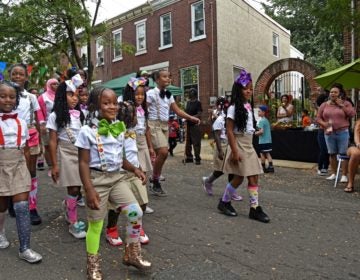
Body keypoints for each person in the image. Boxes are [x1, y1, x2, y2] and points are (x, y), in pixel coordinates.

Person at [76, 87, 151, 279]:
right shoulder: (87, 131)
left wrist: (134, 169)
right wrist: (89, 190)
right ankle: (92, 265)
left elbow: (120, 159)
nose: (112, 107)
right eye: (106, 103)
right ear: (95, 106)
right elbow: (83, 163)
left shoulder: (120, 127)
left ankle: (131, 254)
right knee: (96, 225)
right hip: (97, 181)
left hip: (117, 178)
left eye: (114, 103)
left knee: (136, 212)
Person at [217, 69, 270, 223]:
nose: (249, 91)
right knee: (241, 178)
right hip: (239, 144)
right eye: (246, 88)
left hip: (248, 144)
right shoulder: (233, 108)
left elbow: (248, 127)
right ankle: (227, 202)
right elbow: (229, 130)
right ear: (238, 90)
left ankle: (250, 207)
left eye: (250, 89)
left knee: (250, 177)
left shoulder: (248, 106)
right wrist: (234, 151)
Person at [0, 80, 42, 263]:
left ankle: (25, 248)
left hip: (18, 165)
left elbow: (25, 148)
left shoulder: (21, 123)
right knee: (1, 207)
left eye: (12, 97)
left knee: (21, 207)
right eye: (2, 96)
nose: (7, 100)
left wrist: (27, 168)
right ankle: (0, 233)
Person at [147, 69, 200, 196]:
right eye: (164, 77)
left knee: (164, 154)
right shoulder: (150, 93)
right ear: (157, 80)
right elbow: (144, 109)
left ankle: (155, 177)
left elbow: (177, 110)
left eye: (169, 76)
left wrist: (190, 117)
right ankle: (155, 180)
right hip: (153, 124)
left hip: (165, 126)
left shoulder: (169, 95)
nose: (167, 79)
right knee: (164, 152)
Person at [105, 101, 150, 247]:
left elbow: (134, 150)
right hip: (119, 172)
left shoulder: (134, 129)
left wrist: (140, 168)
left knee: (142, 202)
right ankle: (111, 229)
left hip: (135, 170)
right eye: (129, 114)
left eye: (133, 113)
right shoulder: (114, 129)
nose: (133, 117)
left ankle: (136, 226)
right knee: (116, 207)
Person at [47, 75, 87, 239]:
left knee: (79, 188)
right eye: (70, 95)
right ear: (62, 96)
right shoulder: (55, 116)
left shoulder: (81, 114)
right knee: (74, 188)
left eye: (76, 95)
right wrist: (54, 165)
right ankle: (73, 222)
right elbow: (52, 141)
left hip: (81, 154)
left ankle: (68, 207)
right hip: (66, 153)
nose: (74, 98)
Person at [10, 63, 42, 225]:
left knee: (31, 171)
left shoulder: (31, 97)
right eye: (14, 74)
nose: (17, 76)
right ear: (9, 76)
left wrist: (42, 144)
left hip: (30, 136)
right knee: (11, 170)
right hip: (11, 138)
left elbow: (37, 120)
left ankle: (32, 206)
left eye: (20, 74)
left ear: (26, 77)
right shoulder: (4, 95)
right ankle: (12, 200)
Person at [202, 96, 242, 201]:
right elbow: (216, 135)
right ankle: (208, 181)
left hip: (231, 144)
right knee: (219, 170)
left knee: (232, 169)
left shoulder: (230, 117)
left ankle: (231, 191)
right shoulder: (220, 119)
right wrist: (220, 150)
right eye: (225, 106)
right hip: (223, 145)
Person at [317, 83, 355, 183]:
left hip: (342, 131)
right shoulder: (324, 105)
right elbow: (318, 117)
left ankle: (344, 175)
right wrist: (324, 124)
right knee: (332, 153)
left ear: (339, 93)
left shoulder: (346, 103)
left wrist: (342, 105)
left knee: (343, 154)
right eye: (331, 92)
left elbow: (352, 114)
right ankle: (334, 174)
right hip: (329, 132)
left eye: (335, 92)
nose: (332, 93)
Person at [37, 78, 59, 173]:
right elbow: (39, 111)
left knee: (57, 144)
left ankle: (57, 164)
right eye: (53, 84)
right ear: (49, 85)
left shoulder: (60, 96)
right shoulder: (42, 97)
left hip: (58, 123)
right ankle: (50, 166)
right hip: (46, 124)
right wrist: (42, 123)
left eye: (57, 84)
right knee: (47, 145)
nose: (56, 86)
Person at [185, 88, 203, 164]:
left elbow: (199, 114)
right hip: (188, 125)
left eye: (189, 93)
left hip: (195, 125)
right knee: (188, 143)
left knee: (196, 142)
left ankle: (197, 158)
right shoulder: (188, 103)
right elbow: (186, 113)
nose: (188, 94)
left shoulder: (198, 103)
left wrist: (191, 118)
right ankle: (189, 157)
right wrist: (185, 117)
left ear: (193, 94)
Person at [255, 105, 274, 173]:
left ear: (263, 112)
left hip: (263, 141)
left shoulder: (261, 121)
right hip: (268, 140)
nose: (258, 112)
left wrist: (255, 133)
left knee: (262, 154)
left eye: (259, 111)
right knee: (268, 153)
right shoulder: (266, 120)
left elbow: (261, 131)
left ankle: (263, 168)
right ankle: (271, 167)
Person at [315, 89, 330, 176]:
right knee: (323, 149)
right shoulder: (322, 108)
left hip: (330, 129)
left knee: (328, 149)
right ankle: (321, 167)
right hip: (322, 129)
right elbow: (317, 119)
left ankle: (325, 167)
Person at [344, 120, 360, 193]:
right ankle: (350, 183)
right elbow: (356, 136)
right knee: (356, 154)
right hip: (355, 146)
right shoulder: (359, 122)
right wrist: (358, 143)